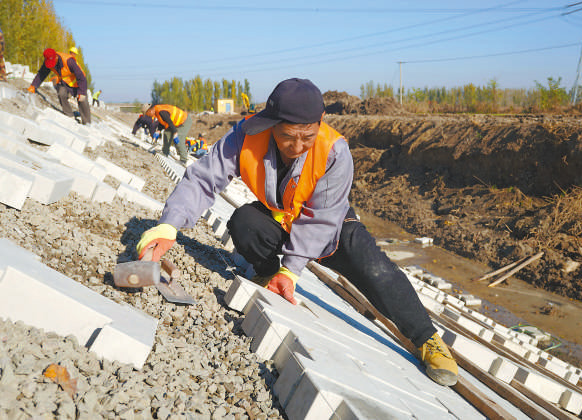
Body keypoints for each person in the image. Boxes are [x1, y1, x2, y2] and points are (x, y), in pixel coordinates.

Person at [135, 78, 459, 387]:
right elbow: (204, 178)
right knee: (244, 223)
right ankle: (267, 273)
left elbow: (321, 219)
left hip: (331, 226)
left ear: (321, 122)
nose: (298, 146)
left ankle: (427, 339)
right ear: (272, 123)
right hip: (281, 220)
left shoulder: (335, 151)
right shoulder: (246, 136)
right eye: (289, 136)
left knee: (377, 270)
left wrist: (293, 269)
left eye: (308, 136)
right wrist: (169, 224)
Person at [27, 48, 91, 124]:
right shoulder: (48, 61)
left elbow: (81, 77)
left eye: (53, 62)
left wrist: (82, 92)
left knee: (82, 100)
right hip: (65, 83)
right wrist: (33, 86)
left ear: (56, 57)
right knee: (61, 93)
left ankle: (87, 123)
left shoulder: (68, 61)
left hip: (78, 82)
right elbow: (42, 74)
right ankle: (70, 116)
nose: (52, 65)